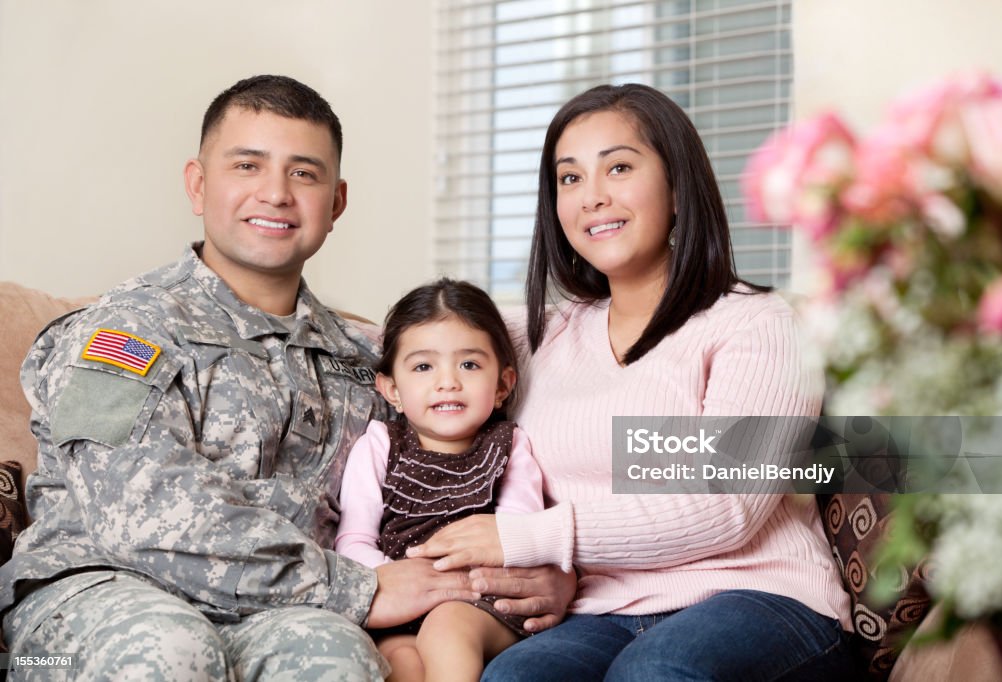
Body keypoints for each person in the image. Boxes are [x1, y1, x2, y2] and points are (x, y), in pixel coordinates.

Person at [0, 75, 573, 681]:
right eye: (247, 165)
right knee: (171, 652)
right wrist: (358, 589)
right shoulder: (122, 330)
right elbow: (138, 514)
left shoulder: (369, 362)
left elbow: (442, 485)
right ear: (198, 184)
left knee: (340, 660)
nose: (275, 193)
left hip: (283, 613)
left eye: (303, 173)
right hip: (89, 602)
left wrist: (534, 580)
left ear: (336, 202)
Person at [408, 83, 860, 680]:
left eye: (618, 167)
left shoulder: (758, 324)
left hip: (761, 596)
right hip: (602, 611)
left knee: (656, 673)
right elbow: (402, 344)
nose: (592, 197)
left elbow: (725, 506)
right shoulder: (535, 337)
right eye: (570, 179)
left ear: (677, 186)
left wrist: (525, 539)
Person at [336, 278, 545, 682]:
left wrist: (462, 585)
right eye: (423, 366)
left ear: (502, 385)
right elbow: (354, 539)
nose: (447, 381)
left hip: (479, 601)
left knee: (447, 629)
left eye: (469, 364)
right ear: (392, 389)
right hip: (399, 599)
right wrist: (398, 583)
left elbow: (520, 531)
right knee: (400, 662)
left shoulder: (508, 445)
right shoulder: (380, 443)